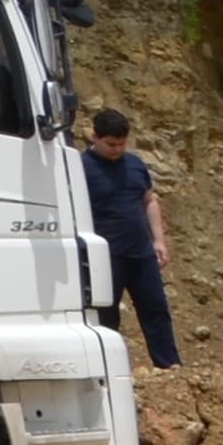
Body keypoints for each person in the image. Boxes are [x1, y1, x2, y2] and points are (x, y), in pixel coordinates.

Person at [81, 106, 179, 368]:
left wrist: (158, 240)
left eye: (122, 144)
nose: (117, 150)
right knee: (106, 315)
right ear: (94, 137)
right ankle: (110, 368)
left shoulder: (134, 163)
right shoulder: (80, 168)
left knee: (155, 308)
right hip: (104, 255)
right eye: (111, 144)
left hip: (141, 252)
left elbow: (149, 200)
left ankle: (169, 365)